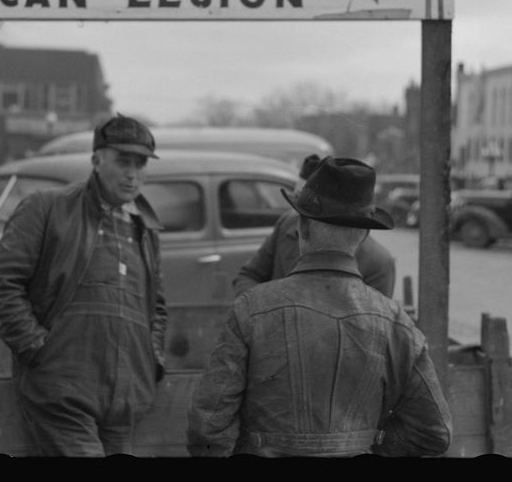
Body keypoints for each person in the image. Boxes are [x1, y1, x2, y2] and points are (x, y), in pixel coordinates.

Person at [187, 156, 452, 457]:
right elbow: (434, 432)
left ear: (302, 228)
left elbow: (207, 427)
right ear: (364, 233)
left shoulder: (250, 310)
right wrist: (369, 446)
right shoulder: (397, 325)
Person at [0, 114, 168, 456]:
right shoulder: (47, 208)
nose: (133, 173)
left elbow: (156, 307)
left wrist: (150, 360)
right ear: (96, 160)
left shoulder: (146, 230)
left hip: (126, 398)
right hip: (63, 392)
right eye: (123, 161)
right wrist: (37, 349)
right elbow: (1, 283)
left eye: (141, 164)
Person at [232, 154, 397, 298]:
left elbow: (370, 325)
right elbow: (248, 276)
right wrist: (263, 310)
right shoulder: (287, 223)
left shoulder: (378, 263)